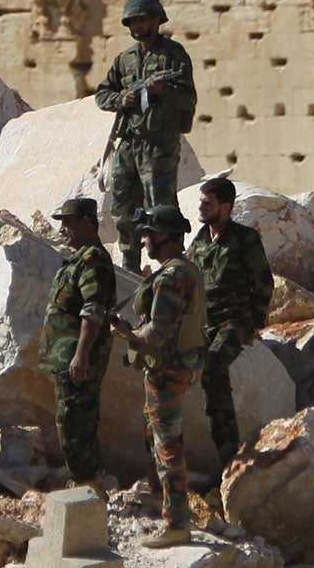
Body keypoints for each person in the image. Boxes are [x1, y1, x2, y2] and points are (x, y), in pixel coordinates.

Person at [112, 204, 206, 547]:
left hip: (167, 369)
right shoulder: (183, 269)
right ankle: (160, 495)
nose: (145, 239)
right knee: (154, 433)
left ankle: (177, 523)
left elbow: (157, 333)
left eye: (150, 233)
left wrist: (127, 334)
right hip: (170, 367)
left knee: (167, 444)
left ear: (167, 236)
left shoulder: (170, 277)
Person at [95, 0, 198, 274]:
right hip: (128, 142)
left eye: (143, 19)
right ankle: (130, 265)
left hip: (159, 144)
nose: (138, 25)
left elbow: (188, 100)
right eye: (133, 21)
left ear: (156, 20)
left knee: (161, 209)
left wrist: (161, 90)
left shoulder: (173, 55)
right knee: (122, 206)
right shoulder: (125, 60)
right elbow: (102, 94)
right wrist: (122, 99)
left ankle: (171, 267)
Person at [188, 176, 273, 467]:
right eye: (200, 201)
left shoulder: (244, 239)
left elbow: (263, 282)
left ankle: (228, 449)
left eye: (206, 203)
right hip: (203, 323)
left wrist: (255, 324)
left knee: (213, 367)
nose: (200, 207)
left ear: (225, 208)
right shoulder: (199, 242)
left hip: (233, 321)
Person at [40, 196, 116, 487]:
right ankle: (85, 483)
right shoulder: (80, 258)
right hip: (66, 359)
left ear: (86, 223)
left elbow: (93, 310)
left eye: (68, 224)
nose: (62, 231)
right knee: (71, 423)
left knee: (76, 425)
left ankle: (86, 487)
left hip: (78, 360)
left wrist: (81, 355)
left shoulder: (92, 260)